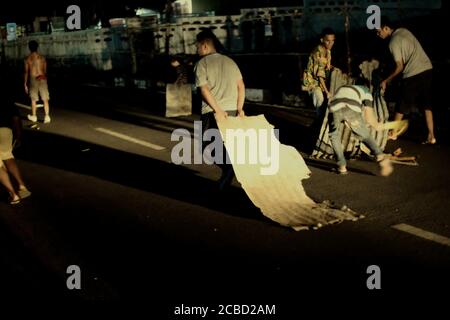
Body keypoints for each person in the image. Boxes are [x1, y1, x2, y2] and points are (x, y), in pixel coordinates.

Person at [194, 29, 245, 190]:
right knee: (225, 144)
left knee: (207, 146)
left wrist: (217, 110)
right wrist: (240, 108)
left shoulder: (202, 64)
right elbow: (241, 86)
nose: (196, 50)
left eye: (197, 46)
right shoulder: (230, 62)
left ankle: (229, 169)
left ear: (204, 46)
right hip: (231, 111)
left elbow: (204, 90)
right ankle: (228, 171)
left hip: (213, 112)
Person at [376, 19, 435, 144]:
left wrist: (386, 80)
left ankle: (393, 133)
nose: (378, 34)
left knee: (402, 104)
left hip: (413, 73)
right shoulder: (404, 31)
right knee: (426, 104)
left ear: (386, 28)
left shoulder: (393, 42)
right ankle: (431, 136)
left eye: (379, 31)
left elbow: (399, 67)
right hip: (427, 69)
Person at [328, 84, 393, 176]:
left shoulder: (343, 87)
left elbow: (338, 100)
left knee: (334, 135)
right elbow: (369, 118)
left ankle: (341, 166)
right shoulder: (366, 91)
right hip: (350, 108)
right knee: (363, 134)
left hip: (333, 108)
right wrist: (378, 126)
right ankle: (379, 155)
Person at [0, 65, 32, 204]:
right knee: (7, 156)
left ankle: (13, 194)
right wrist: (18, 136)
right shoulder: (6, 98)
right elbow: (16, 119)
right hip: (6, 131)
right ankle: (21, 185)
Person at [302, 27, 336, 114]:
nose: (330, 43)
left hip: (320, 81)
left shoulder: (327, 51)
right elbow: (320, 75)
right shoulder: (319, 53)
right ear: (322, 40)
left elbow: (325, 66)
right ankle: (319, 123)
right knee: (320, 100)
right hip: (312, 83)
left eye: (332, 41)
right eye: (328, 41)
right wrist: (327, 92)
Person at [24, 40, 51, 124]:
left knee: (33, 99)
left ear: (29, 48)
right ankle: (47, 116)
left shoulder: (27, 59)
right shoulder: (42, 58)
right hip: (42, 78)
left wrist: (25, 83)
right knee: (45, 99)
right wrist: (43, 76)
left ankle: (34, 116)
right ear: (37, 47)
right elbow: (45, 70)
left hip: (33, 79)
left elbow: (26, 72)